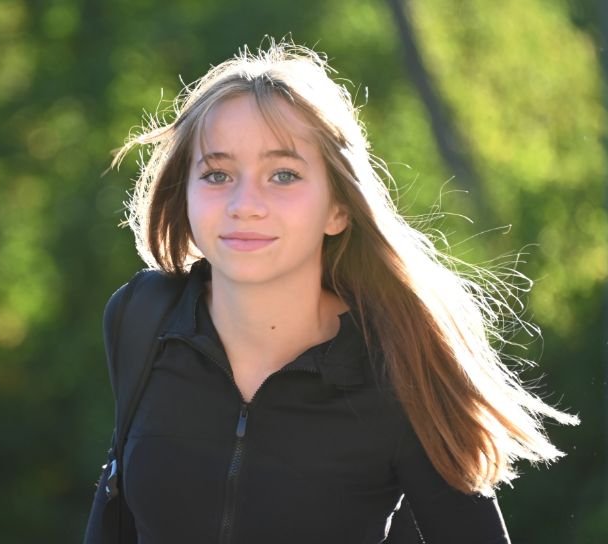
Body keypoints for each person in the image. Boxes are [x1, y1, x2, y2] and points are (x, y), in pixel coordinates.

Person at [86, 39, 578, 544]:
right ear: (184, 193)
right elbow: (113, 515)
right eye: (217, 174)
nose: (244, 204)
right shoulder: (142, 315)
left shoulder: (399, 366)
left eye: (283, 175)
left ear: (338, 209)